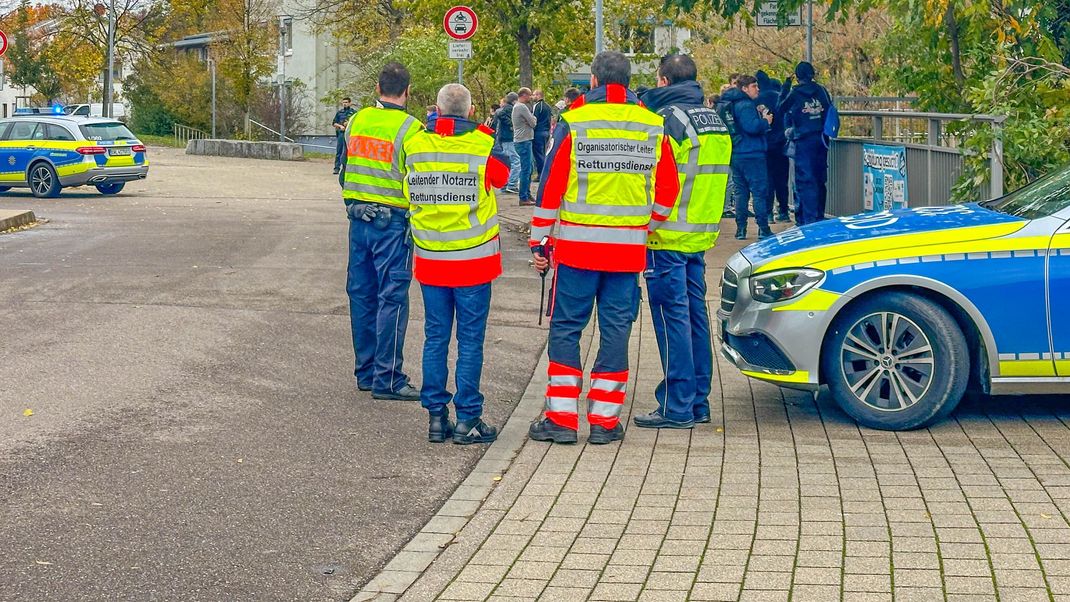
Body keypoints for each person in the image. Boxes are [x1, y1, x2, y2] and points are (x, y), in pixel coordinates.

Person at [528, 51, 680, 446]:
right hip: (627, 252)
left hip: (578, 250)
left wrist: (540, 239)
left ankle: (561, 419)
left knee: (566, 328)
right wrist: (645, 225)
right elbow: (668, 193)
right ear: (628, 82)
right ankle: (605, 422)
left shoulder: (574, 122)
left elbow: (550, 186)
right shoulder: (653, 125)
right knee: (615, 331)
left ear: (594, 81)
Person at [402, 83, 509, 445]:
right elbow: (503, 178)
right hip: (473, 261)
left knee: (435, 337)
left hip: (431, 258)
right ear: (471, 110)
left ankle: (436, 417)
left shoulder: (415, 144)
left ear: (435, 108)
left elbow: (407, 189)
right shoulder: (483, 144)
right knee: (469, 341)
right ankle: (468, 418)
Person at [635, 53, 730, 429]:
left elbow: (656, 178)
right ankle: (698, 401)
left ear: (662, 81)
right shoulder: (715, 119)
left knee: (670, 318)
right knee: (694, 316)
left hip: (666, 233)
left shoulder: (668, 121)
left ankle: (676, 405)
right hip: (700, 233)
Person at [339, 63, 421, 401]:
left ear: (377, 88)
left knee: (361, 295)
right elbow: (417, 179)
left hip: (358, 220)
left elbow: (346, 171)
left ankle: (366, 372)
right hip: (393, 225)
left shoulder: (356, 121)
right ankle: (388, 377)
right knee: (392, 298)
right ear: (407, 91)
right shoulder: (412, 128)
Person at [716, 74, 773, 240]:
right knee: (759, 191)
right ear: (744, 88)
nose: (758, 89)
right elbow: (752, 127)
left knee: (741, 192)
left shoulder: (730, 103)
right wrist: (765, 121)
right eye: (754, 86)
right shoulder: (746, 105)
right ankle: (763, 228)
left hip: (737, 152)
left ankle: (741, 229)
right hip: (752, 153)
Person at [778, 61, 832, 225]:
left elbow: (780, 108)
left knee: (805, 180)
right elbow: (830, 110)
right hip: (822, 140)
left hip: (803, 140)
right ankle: (819, 215)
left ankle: (807, 220)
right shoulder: (822, 91)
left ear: (798, 76)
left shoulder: (795, 94)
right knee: (819, 178)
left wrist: (785, 86)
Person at [756, 70, 790, 223]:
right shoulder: (778, 96)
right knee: (782, 179)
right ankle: (784, 211)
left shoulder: (757, 99)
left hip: (765, 144)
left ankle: (768, 213)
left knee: (767, 179)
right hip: (781, 143)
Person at [512, 87, 538, 206]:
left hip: (523, 140)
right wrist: (533, 118)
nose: (531, 97)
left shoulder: (517, 107)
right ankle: (523, 196)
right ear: (524, 95)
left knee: (529, 168)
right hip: (524, 140)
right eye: (530, 95)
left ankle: (527, 194)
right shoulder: (522, 107)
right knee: (526, 169)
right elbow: (533, 123)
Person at [494, 92, 520, 193]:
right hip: (508, 137)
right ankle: (512, 184)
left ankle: (505, 184)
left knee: (508, 161)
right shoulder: (510, 109)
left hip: (503, 137)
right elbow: (501, 115)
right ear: (514, 100)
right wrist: (512, 124)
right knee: (515, 161)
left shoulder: (504, 109)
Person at [531, 89, 553, 182]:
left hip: (539, 132)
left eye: (534, 95)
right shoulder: (547, 106)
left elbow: (534, 119)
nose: (533, 97)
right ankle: (545, 173)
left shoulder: (537, 106)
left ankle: (541, 174)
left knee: (538, 154)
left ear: (538, 95)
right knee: (543, 152)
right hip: (546, 132)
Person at [332, 97, 356, 175]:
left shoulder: (354, 113)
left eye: (346, 102)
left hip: (350, 134)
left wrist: (348, 123)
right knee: (339, 151)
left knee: (349, 152)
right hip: (341, 134)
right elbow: (334, 123)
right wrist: (340, 126)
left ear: (350, 103)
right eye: (343, 102)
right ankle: (336, 168)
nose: (344, 104)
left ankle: (347, 168)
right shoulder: (340, 113)